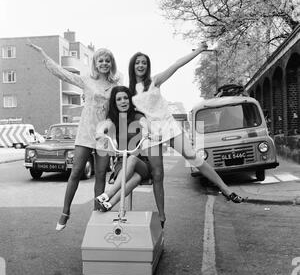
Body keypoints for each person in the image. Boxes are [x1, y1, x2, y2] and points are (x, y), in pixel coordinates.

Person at [128, 43, 245, 227]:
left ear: (147, 66)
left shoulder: (155, 81)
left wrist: (198, 51)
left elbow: (176, 64)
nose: (140, 66)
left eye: (143, 63)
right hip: (150, 135)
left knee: (193, 157)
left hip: (169, 126)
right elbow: (126, 110)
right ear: (132, 66)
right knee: (158, 174)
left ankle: (226, 189)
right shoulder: (129, 92)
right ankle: (162, 215)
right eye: (137, 63)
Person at [27, 40, 122, 231]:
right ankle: (65, 212)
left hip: (104, 135)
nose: (104, 63)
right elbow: (64, 74)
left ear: (111, 64)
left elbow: (121, 106)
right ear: (95, 63)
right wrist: (44, 55)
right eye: (100, 60)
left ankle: (97, 214)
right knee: (76, 172)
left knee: (101, 175)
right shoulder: (87, 80)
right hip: (86, 132)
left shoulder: (116, 85)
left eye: (107, 61)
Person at [94, 86, 154, 220]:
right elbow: (105, 126)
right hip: (122, 162)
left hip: (141, 162)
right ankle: (109, 204)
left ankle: (108, 194)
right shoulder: (113, 119)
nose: (123, 101)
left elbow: (145, 123)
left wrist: (147, 130)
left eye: (125, 98)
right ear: (115, 103)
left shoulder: (138, 116)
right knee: (136, 178)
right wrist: (100, 131)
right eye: (119, 99)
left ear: (129, 100)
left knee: (132, 159)